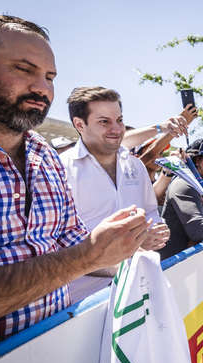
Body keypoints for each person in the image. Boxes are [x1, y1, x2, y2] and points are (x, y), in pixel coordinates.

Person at [0, 15, 150, 363]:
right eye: (25, 69)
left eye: (50, 77)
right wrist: (88, 256)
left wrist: (127, 251)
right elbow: (80, 256)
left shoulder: (43, 153)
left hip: (59, 361)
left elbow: (74, 243)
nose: (42, 89)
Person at [60, 87, 172, 303]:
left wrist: (154, 228)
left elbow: (149, 209)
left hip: (138, 286)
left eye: (119, 120)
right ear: (79, 124)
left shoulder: (135, 165)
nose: (117, 129)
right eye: (104, 121)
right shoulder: (60, 169)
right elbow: (55, 242)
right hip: (85, 300)